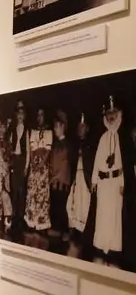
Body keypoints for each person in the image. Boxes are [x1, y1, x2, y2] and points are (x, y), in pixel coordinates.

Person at [90, 96, 125, 266]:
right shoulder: (103, 138)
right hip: (104, 183)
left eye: (114, 116)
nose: (111, 119)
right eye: (108, 116)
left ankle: (113, 247)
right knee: (103, 214)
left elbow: (124, 162)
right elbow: (97, 160)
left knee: (114, 215)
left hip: (116, 182)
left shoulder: (121, 137)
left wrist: (123, 183)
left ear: (118, 117)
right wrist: (94, 181)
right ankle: (101, 245)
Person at [67, 113, 95, 259]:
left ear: (87, 128)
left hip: (85, 178)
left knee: (84, 206)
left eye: (83, 126)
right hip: (76, 178)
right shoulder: (75, 144)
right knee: (73, 205)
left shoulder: (90, 144)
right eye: (79, 126)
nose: (80, 129)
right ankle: (75, 233)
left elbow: (91, 164)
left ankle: (83, 236)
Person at [25, 108, 53, 232]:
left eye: (41, 115)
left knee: (41, 193)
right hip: (34, 165)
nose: (39, 117)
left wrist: (41, 164)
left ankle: (41, 222)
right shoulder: (33, 131)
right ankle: (31, 220)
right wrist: (32, 163)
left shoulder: (49, 132)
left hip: (43, 166)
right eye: (38, 115)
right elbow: (31, 149)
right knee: (32, 192)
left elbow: (47, 151)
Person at [49, 111, 73, 243]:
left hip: (62, 182)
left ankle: (64, 231)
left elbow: (65, 164)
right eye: (54, 127)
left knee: (62, 206)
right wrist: (51, 175)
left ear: (63, 126)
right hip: (54, 181)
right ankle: (56, 229)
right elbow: (52, 161)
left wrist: (56, 176)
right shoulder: (56, 144)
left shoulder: (67, 145)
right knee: (55, 205)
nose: (55, 129)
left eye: (57, 126)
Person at [8, 101, 29, 238]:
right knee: (14, 188)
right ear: (16, 115)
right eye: (18, 114)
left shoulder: (26, 130)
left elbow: (27, 149)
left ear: (24, 116)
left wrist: (27, 166)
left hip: (22, 160)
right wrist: (10, 162)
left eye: (22, 114)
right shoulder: (13, 130)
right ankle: (14, 214)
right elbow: (10, 147)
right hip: (15, 161)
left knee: (22, 189)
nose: (20, 116)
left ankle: (21, 215)